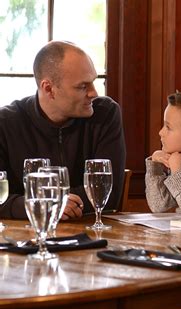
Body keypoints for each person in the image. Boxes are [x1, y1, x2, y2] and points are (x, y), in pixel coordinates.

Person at [0, 41, 126, 220]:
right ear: (49, 89)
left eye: (93, 82)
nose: (94, 93)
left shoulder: (105, 114)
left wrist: (49, 201)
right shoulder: (5, 123)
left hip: (91, 235)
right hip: (21, 239)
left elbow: (107, 194)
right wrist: (46, 204)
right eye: (83, 86)